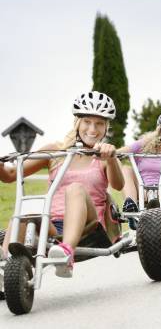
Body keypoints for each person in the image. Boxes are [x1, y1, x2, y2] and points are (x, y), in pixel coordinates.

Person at [0, 91, 124, 277]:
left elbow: (119, 184)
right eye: (87, 122)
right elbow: (10, 175)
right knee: (26, 209)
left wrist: (112, 158)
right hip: (52, 226)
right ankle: (5, 268)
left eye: (99, 123)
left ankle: (66, 253)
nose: (93, 129)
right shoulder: (55, 152)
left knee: (75, 189)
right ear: (77, 123)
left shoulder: (105, 155)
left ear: (106, 127)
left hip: (89, 228)